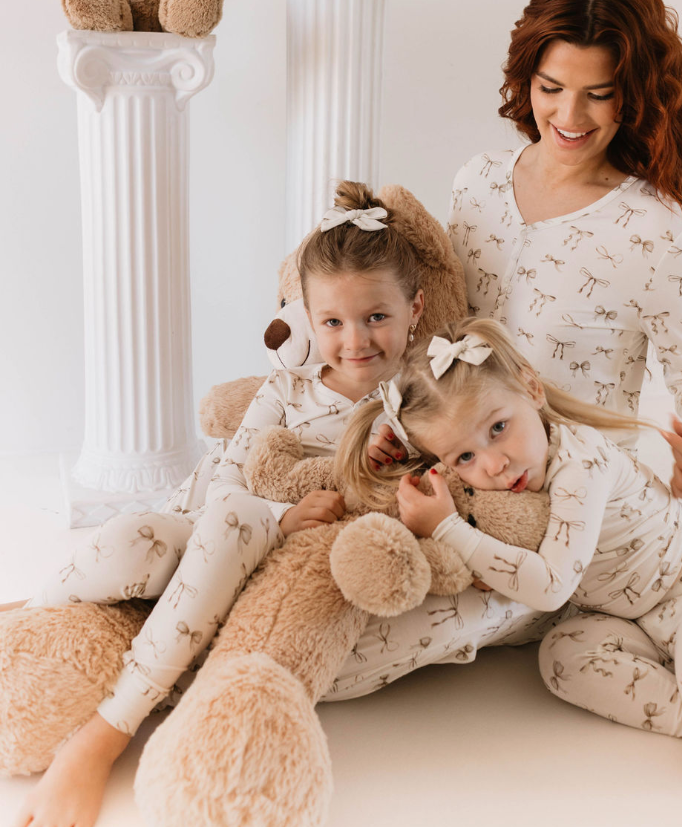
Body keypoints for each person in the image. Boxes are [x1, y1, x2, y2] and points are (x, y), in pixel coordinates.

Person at [11, 180, 425, 827]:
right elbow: (230, 477)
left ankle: (104, 735)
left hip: (264, 552)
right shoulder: (286, 387)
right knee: (132, 534)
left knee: (234, 522)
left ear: (416, 308)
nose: (356, 341)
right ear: (309, 321)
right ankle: (30, 619)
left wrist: (320, 501)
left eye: (377, 317)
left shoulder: (416, 404)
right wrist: (277, 513)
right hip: (205, 524)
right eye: (334, 322)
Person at [337, 318, 682, 769]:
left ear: (532, 389)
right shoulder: (502, 478)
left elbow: (552, 587)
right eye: (465, 457)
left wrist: (447, 528)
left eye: (498, 428)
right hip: (625, 617)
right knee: (561, 656)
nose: (495, 464)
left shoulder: (583, 463)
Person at [447, 0, 682, 502]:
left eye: (599, 94)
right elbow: (437, 336)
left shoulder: (655, 227)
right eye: (551, 87)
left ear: (633, 93)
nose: (570, 114)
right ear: (526, 78)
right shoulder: (477, 183)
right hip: (465, 488)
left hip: (581, 508)